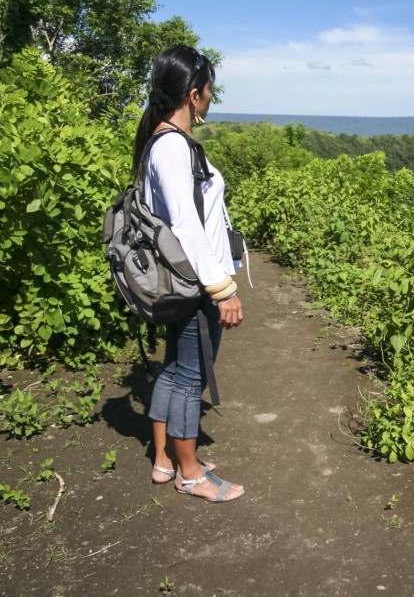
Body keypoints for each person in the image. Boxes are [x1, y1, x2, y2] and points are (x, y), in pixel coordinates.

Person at [130, 44, 245, 502]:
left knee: (176, 370)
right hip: (195, 283)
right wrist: (221, 289)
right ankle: (191, 473)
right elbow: (185, 224)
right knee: (188, 376)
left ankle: (164, 459)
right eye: (210, 90)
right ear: (194, 94)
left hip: (183, 279)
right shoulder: (173, 148)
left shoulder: (162, 141)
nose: (212, 98)